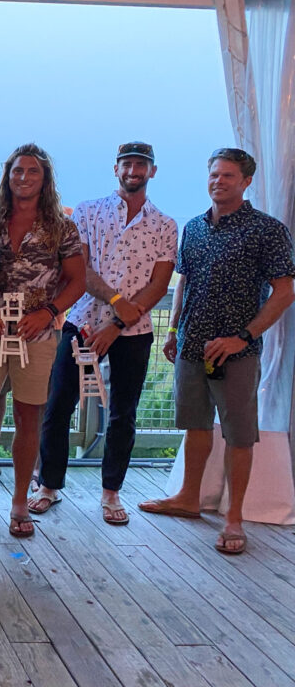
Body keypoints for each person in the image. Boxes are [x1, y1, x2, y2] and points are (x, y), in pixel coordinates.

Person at [139, 147, 294, 554]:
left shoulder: (267, 230)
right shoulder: (193, 228)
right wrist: (173, 329)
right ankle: (189, 498)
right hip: (191, 345)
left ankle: (234, 517)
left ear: (246, 182)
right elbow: (183, 283)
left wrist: (244, 336)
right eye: (214, 174)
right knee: (195, 424)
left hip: (237, 352)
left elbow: (284, 292)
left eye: (227, 176)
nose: (218, 181)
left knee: (240, 434)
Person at [31, 142, 176, 524]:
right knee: (58, 405)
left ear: (152, 171)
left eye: (141, 164)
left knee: (123, 414)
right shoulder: (87, 211)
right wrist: (115, 300)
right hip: (81, 322)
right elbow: (80, 270)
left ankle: (111, 494)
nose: (134, 170)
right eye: (127, 164)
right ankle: (49, 486)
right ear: (116, 169)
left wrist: (118, 323)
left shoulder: (165, 224)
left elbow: (160, 284)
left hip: (134, 330)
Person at [0, 144, 85, 538]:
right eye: (18, 171)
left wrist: (47, 313)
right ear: (7, 176)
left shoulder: (61, 227)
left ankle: (18, 502)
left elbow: (78, 280)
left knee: (28, 415)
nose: (25, 178)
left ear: (44, 178)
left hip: (38, 333)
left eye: (33, 171)